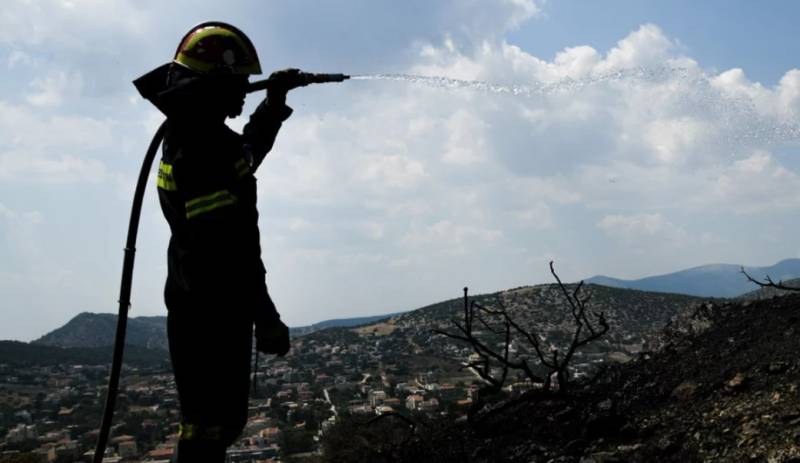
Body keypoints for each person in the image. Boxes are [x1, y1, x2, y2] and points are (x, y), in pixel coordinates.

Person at [152, 22, 298, 462]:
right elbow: (227, 252)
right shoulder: (200, 149)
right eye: (238, 83)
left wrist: (273, 105)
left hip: (199, 308)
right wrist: (266, 318)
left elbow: (246, 154)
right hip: (211, 314)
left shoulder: (199, 138)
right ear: (212, 85)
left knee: (211, 425)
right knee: (210, 430)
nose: (243, 92)